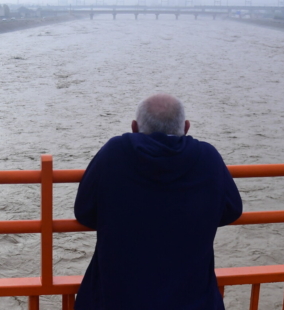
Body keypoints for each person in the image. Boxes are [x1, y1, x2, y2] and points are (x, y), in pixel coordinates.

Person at [74, 94, 243, 309]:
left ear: (134, 127)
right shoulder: (207, 157)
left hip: (115, 299)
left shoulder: (114, 152)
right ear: (187, 127)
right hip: (193, 300)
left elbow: (84, 212)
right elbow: (232, 210)